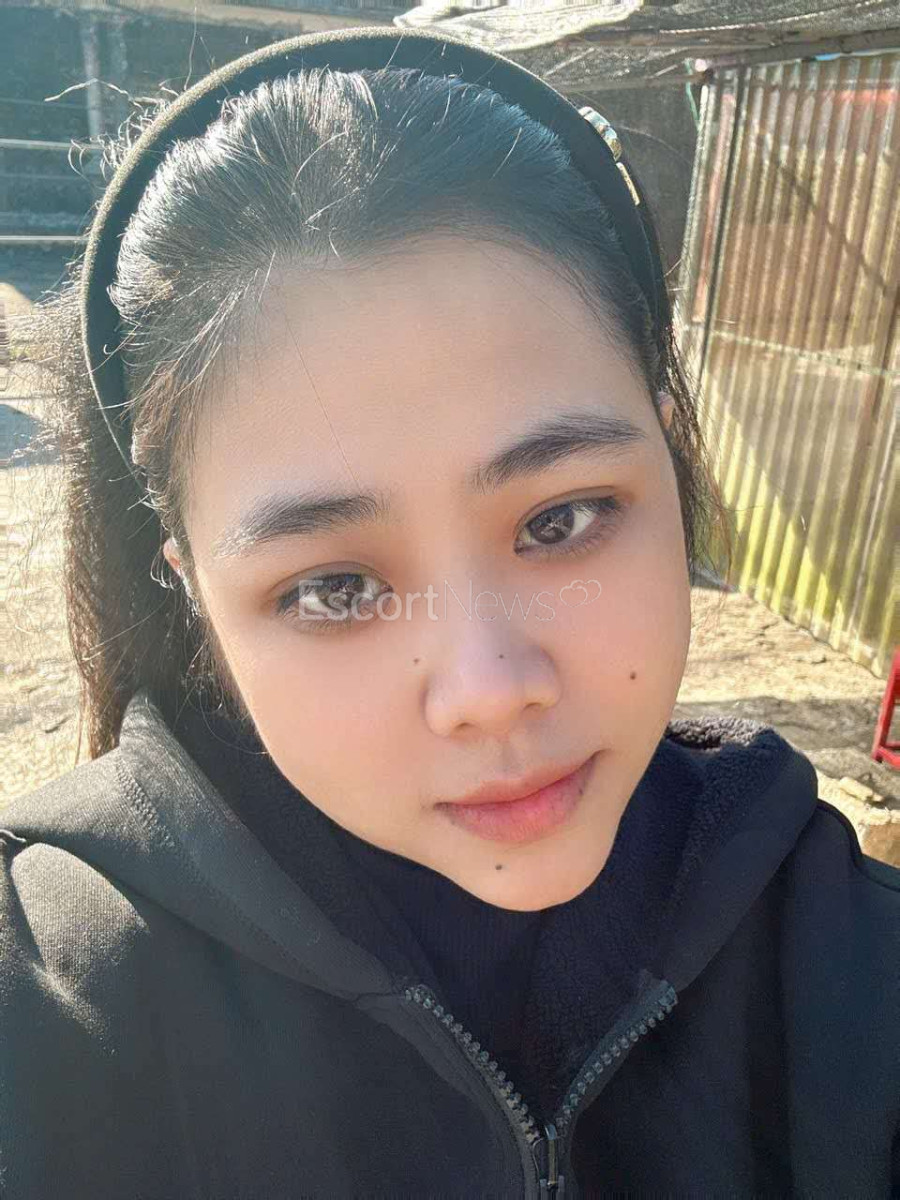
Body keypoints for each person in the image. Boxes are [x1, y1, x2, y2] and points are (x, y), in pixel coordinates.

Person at [1, 28, 897, 1200]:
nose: (489, 690)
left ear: (672, 459)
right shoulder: (46, 1009)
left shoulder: (855, 966)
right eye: (333, 588)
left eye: (562, 519)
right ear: (189, 583)